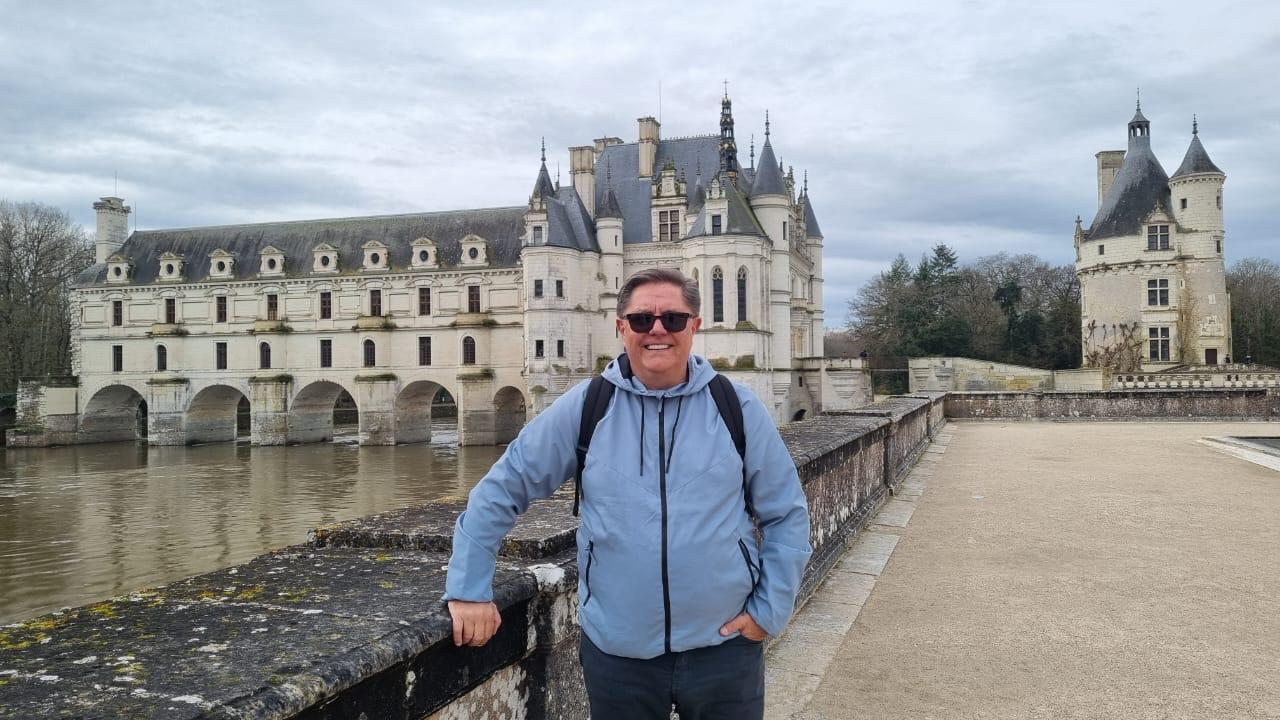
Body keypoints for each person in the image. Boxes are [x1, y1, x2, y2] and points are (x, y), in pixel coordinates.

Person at [444, 268, 811, 719]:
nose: (657, 329)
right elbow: (501, 489)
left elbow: (786, 513)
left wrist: (768, 611)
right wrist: (469, 588)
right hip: (618, 654)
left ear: (694, 325)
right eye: (641, 319)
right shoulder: (587, 406)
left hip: (725, 647)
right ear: (621, 328)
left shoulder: (736, 406)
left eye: (673, 318)